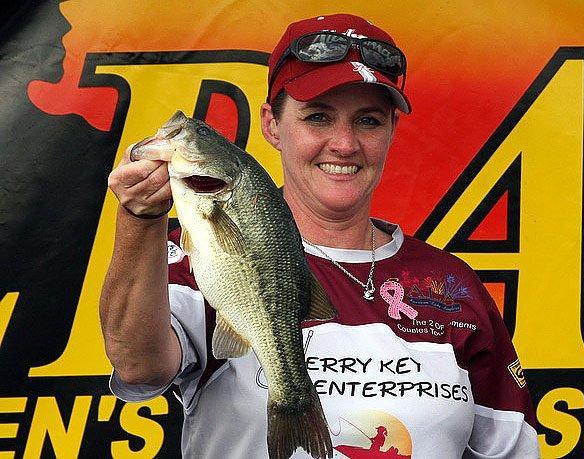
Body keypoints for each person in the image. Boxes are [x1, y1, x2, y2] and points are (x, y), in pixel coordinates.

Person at [100, 13, 540, 458]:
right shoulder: (198, 257)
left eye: (368, 121)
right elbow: (138, 368)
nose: (344, 144)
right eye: (318, 117)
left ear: (392, 130)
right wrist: (140, 219)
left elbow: (509, 450)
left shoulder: (452, 284)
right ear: (272, 124)